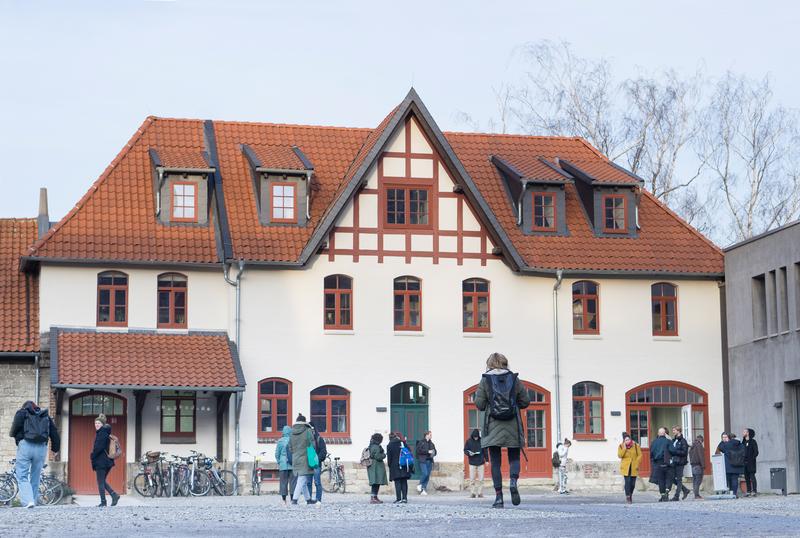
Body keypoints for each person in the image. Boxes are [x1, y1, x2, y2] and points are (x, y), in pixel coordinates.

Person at [474, 352, 531, 508]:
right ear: (505, 363)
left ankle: (499, 498)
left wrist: (487, 400)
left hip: (492, 425)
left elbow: (479, 404)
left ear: (489, 364)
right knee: (514, 457)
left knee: (495, 462)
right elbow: (525, 402)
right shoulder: (514, 379)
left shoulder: (485, 380)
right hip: (512, 423)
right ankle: (513, 481)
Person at [9, 400, 60, 508]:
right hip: (41, 448)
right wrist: (55, 449)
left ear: (25, 406)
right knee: (35, 476)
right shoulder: (44, 415)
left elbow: (14, 429)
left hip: (25, 446)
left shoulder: (21, 413)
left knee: (22, 475)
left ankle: (28, 501)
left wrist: (15, 437)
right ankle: (33, 501)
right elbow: (54, 432)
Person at [91, 414, 119, 507]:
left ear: (102, 424)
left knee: (100, 482)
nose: (96, 424)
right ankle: (114, 495)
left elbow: (99, 447)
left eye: (98, 423)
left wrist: (92, 455)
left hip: (101, 461)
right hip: (107, 461)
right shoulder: (104, 433)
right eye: (95, 423)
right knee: (102, 481)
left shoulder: (102, 433)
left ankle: (103, 502)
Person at [289, 413, 317, 505]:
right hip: (305, 458)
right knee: (301, 479)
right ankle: (294, 499)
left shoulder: (291, 432)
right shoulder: (308, 431)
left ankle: (308, 499)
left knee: (303, 479)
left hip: (295, 458)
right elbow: (312, 444)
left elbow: (290, 447)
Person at [716, 432, 744, 498]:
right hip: (737, 465)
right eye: (723, 437)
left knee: (728, 480)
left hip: (728, 466)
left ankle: (729, 493)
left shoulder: (725, 445)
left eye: (725, 437)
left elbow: (718, 450)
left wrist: (722, 442)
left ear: (729, 438)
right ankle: (734, 493)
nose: (724, 439)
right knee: (734, 480)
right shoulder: (740, 444)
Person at [386, 432, 412, 504]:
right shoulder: (402, 443)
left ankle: (398, 499)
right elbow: (409, 451)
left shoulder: (389, 445)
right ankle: (404, 498)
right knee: (404, 482)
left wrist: (390, 466)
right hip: (404, 464)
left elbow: (389, 458)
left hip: (395, 466)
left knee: (397, 482)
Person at [275, 425, 297, 505]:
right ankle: (292, 499)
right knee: (293, 483)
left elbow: (277, 454)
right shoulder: (293, 440)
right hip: (292, 464)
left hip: (283, 465)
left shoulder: (280, 441)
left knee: (283, 482)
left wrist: (279, 462)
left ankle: (284, 500)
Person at [617, 432, 642, 504]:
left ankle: (630, 494)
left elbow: (640, 455)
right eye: (626, 440)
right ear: (624, 441)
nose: (627, 441)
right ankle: (628, 496)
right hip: (626, 467)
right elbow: (620, 455)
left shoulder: (636, 445)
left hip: (634, 466)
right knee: (627, 482)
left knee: (633, 484)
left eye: (628, 439)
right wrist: (624, 448)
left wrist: (637, 463)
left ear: (630, 439)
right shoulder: (621, 446)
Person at [649, 427, 672, 502]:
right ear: (665, 434)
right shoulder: (668, 441)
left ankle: (663, 495)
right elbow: (673, 451)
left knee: (661, 480)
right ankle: (666, 492)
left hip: (658, 463)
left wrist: (653, 461)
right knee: (668, 478)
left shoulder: (654, 442)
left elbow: (651, 453)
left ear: (658, 434)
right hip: (667, 462)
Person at [306, 424, 327, 504]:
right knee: (308, 483)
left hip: (316, 464)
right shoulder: (306, 440)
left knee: (317, 482)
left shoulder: (319, 439)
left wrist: (317, 459)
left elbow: (323, 451)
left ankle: (318, 499)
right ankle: (309, 499)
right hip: (308, 464)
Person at [668, 426, 690, 501]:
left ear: (678, 431)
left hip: (680, 462)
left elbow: (684, 452)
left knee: (679, 479)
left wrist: (675, 452)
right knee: (672, 478)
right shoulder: (674, 440)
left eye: (674, 430)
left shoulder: (683, 441)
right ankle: (685, 490)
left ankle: (676, 496)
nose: (673, 431)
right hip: (674, 461)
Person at [464, 429, 487, 498]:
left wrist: (487, 460)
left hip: (481, 462)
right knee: (472, 479)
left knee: (481, 479)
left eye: (477, 437)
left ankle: (480, 493)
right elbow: (465, 450)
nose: (476, 438)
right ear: (472, 436)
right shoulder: (468, 441)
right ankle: (473, 493)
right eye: (474, 437)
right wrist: (469, 453)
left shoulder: (482, 441)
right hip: (472, 462)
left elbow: (485, 451)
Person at [367, 433, 388, 504]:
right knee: (376, 482)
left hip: (373, 466)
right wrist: (384, 455)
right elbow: (378, 456)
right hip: (376, 466)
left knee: (376, 482)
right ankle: (373, 497)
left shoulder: (371, 445)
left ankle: (375, 497)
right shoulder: (376, 446)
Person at [415, 431, 436, 496]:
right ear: (426, 435)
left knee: (427, 476)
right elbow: (418, 451)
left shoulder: (431, 443)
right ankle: (420, 485)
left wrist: (434, 452)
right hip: (423, 460)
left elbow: (435, 451)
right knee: (425, 473)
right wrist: (427, 451)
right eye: (430, 435)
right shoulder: (421, 442)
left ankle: (423, 489)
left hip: (429, 461)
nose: (431, 436)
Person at [742, 428, 759, 497]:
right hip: (744, 463)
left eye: (744, 432)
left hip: (751, 463)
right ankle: (748, 491)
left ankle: (754, 491)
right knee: (746, 477)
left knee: (752, 476)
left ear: (748, 433)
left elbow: (756, 452)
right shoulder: (743, 442)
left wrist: (752, 458)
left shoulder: (753, 441)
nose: (743, 433)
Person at [688, 434, 705, 499]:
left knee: (695, 480)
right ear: (701, 440)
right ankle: (697, 495)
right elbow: (701, 456)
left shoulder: (693, 445)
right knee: (698, 480)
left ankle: (696, 494)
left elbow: (690, 454)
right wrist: (703, 465)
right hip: (698, 465)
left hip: (693, 465)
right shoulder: (699, 445)